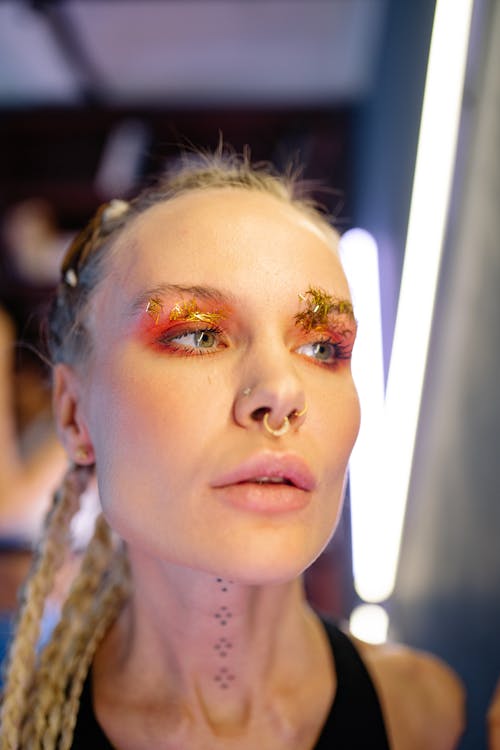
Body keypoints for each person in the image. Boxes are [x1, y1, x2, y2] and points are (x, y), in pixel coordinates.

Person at [0, 149, 465, 749]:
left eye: (324, 347)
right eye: (198, 335)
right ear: (74, 413)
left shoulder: (427, 712)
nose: (280, 391)